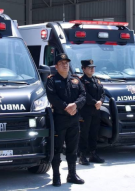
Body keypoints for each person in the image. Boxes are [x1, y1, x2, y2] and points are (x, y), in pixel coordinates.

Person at [46, 53, 86, 187]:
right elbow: (52, 97)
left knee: (72, 148)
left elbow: (83, 95)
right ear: (56, 66)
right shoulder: (52, 80)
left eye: (67, 62)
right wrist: (66, 107)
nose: (65, 64)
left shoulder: (75, 80)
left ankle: (72, 174)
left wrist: (75, 105)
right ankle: (56, 176)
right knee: (57, 148)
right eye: (62, 63)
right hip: (59, 119)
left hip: (74, 119)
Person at [78, 59, 105, 165]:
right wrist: (95, 102)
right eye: (89, 67)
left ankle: (93, 154)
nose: (92, 69)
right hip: (86, 111)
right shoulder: (81, 81)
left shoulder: (96, 80)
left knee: (94, 133)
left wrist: (100, 102)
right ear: (83, 69)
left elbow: (103, 93)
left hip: (96, 110)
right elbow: (84, 94)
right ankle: (82, 156)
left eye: (93, 67)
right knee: (84, 133)